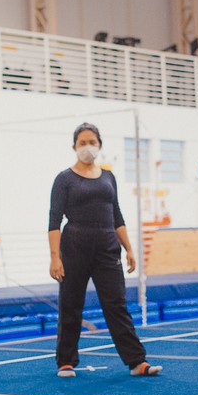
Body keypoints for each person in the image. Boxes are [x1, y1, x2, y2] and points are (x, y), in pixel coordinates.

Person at [49, 123, 161, 379]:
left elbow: (117, 215)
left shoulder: (108, 177)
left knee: (116, 305)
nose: (87, 147)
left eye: (92, 142)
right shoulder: (64, 179)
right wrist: (55, 258)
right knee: (71, 304)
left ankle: (137, 362)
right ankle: (66, 361)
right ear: (74, 147)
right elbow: (54, 221)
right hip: (74, 249)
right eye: (82, 143)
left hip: (107, 249)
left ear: (99, 145)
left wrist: (129, 248)